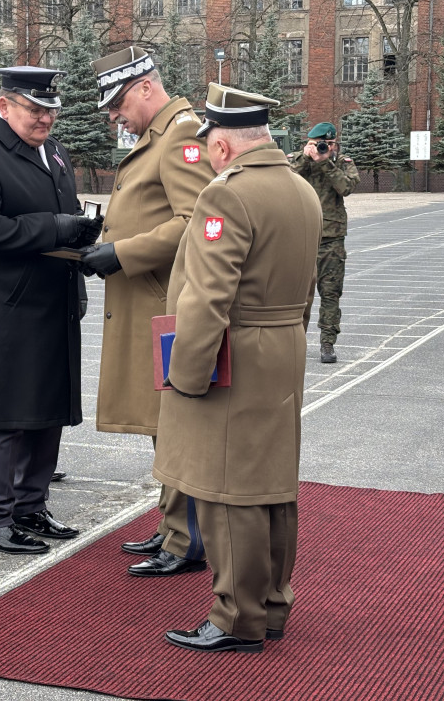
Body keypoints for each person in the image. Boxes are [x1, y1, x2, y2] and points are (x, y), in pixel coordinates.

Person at [154, 83, 322, 653]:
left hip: (236, 352)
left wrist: (187, 372)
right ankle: (272, 606)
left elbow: (206, 298)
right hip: (283, 346)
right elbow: (307, 288)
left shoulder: (227, 196)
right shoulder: (302, 190)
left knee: (226, 491)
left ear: (222, 146)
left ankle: (236, 617)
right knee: (272, 486)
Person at [0, 66, 101, 555]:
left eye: (51, 111)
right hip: (1, 308)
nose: (46, 119)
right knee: (1, 414)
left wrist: (78, 250)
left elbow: (65, 216)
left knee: (45, 408)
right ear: (5, 103)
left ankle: (30, 506)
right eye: (36, 110)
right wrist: (54, 227)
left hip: (49, 300)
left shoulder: (52, 151)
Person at [81, 45, 215, 578]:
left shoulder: (180, 134)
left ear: (143, 87)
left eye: (117, 103)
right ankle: (171, 524)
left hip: (163, 305)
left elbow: (196, 219)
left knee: (175, 421)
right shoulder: (155, 135)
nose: (114, 115)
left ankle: (187, 540)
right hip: (147, 301)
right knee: (165, 422)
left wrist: (123, 253)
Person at [288, 122, 359, 363]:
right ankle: (293, 343)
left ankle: (327, 344)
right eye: (319, 143)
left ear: (335, 144)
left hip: (331, 238)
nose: (324, 147)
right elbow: (284, 181)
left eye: (329, 144)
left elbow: (346, 188)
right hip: (301, 237)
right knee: (294, 295)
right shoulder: (297, 160)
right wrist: (307, 158)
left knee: (330, 294)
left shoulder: (343, 163)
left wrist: (326, 162)